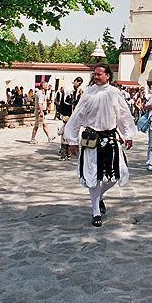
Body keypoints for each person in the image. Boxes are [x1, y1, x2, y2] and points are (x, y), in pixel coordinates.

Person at [63, 64, 136, 228]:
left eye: (99, 74)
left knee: (115, 175)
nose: (96, 77)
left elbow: (124, 115)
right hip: (92, 141)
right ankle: (95, 211)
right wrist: (73, 140)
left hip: (110, 139)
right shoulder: (88, 94)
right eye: (94, 74)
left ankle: (100, 196)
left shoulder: (115, 93)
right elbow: (77, 116)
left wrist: (128, 135)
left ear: (108, 76)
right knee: (93, 177)